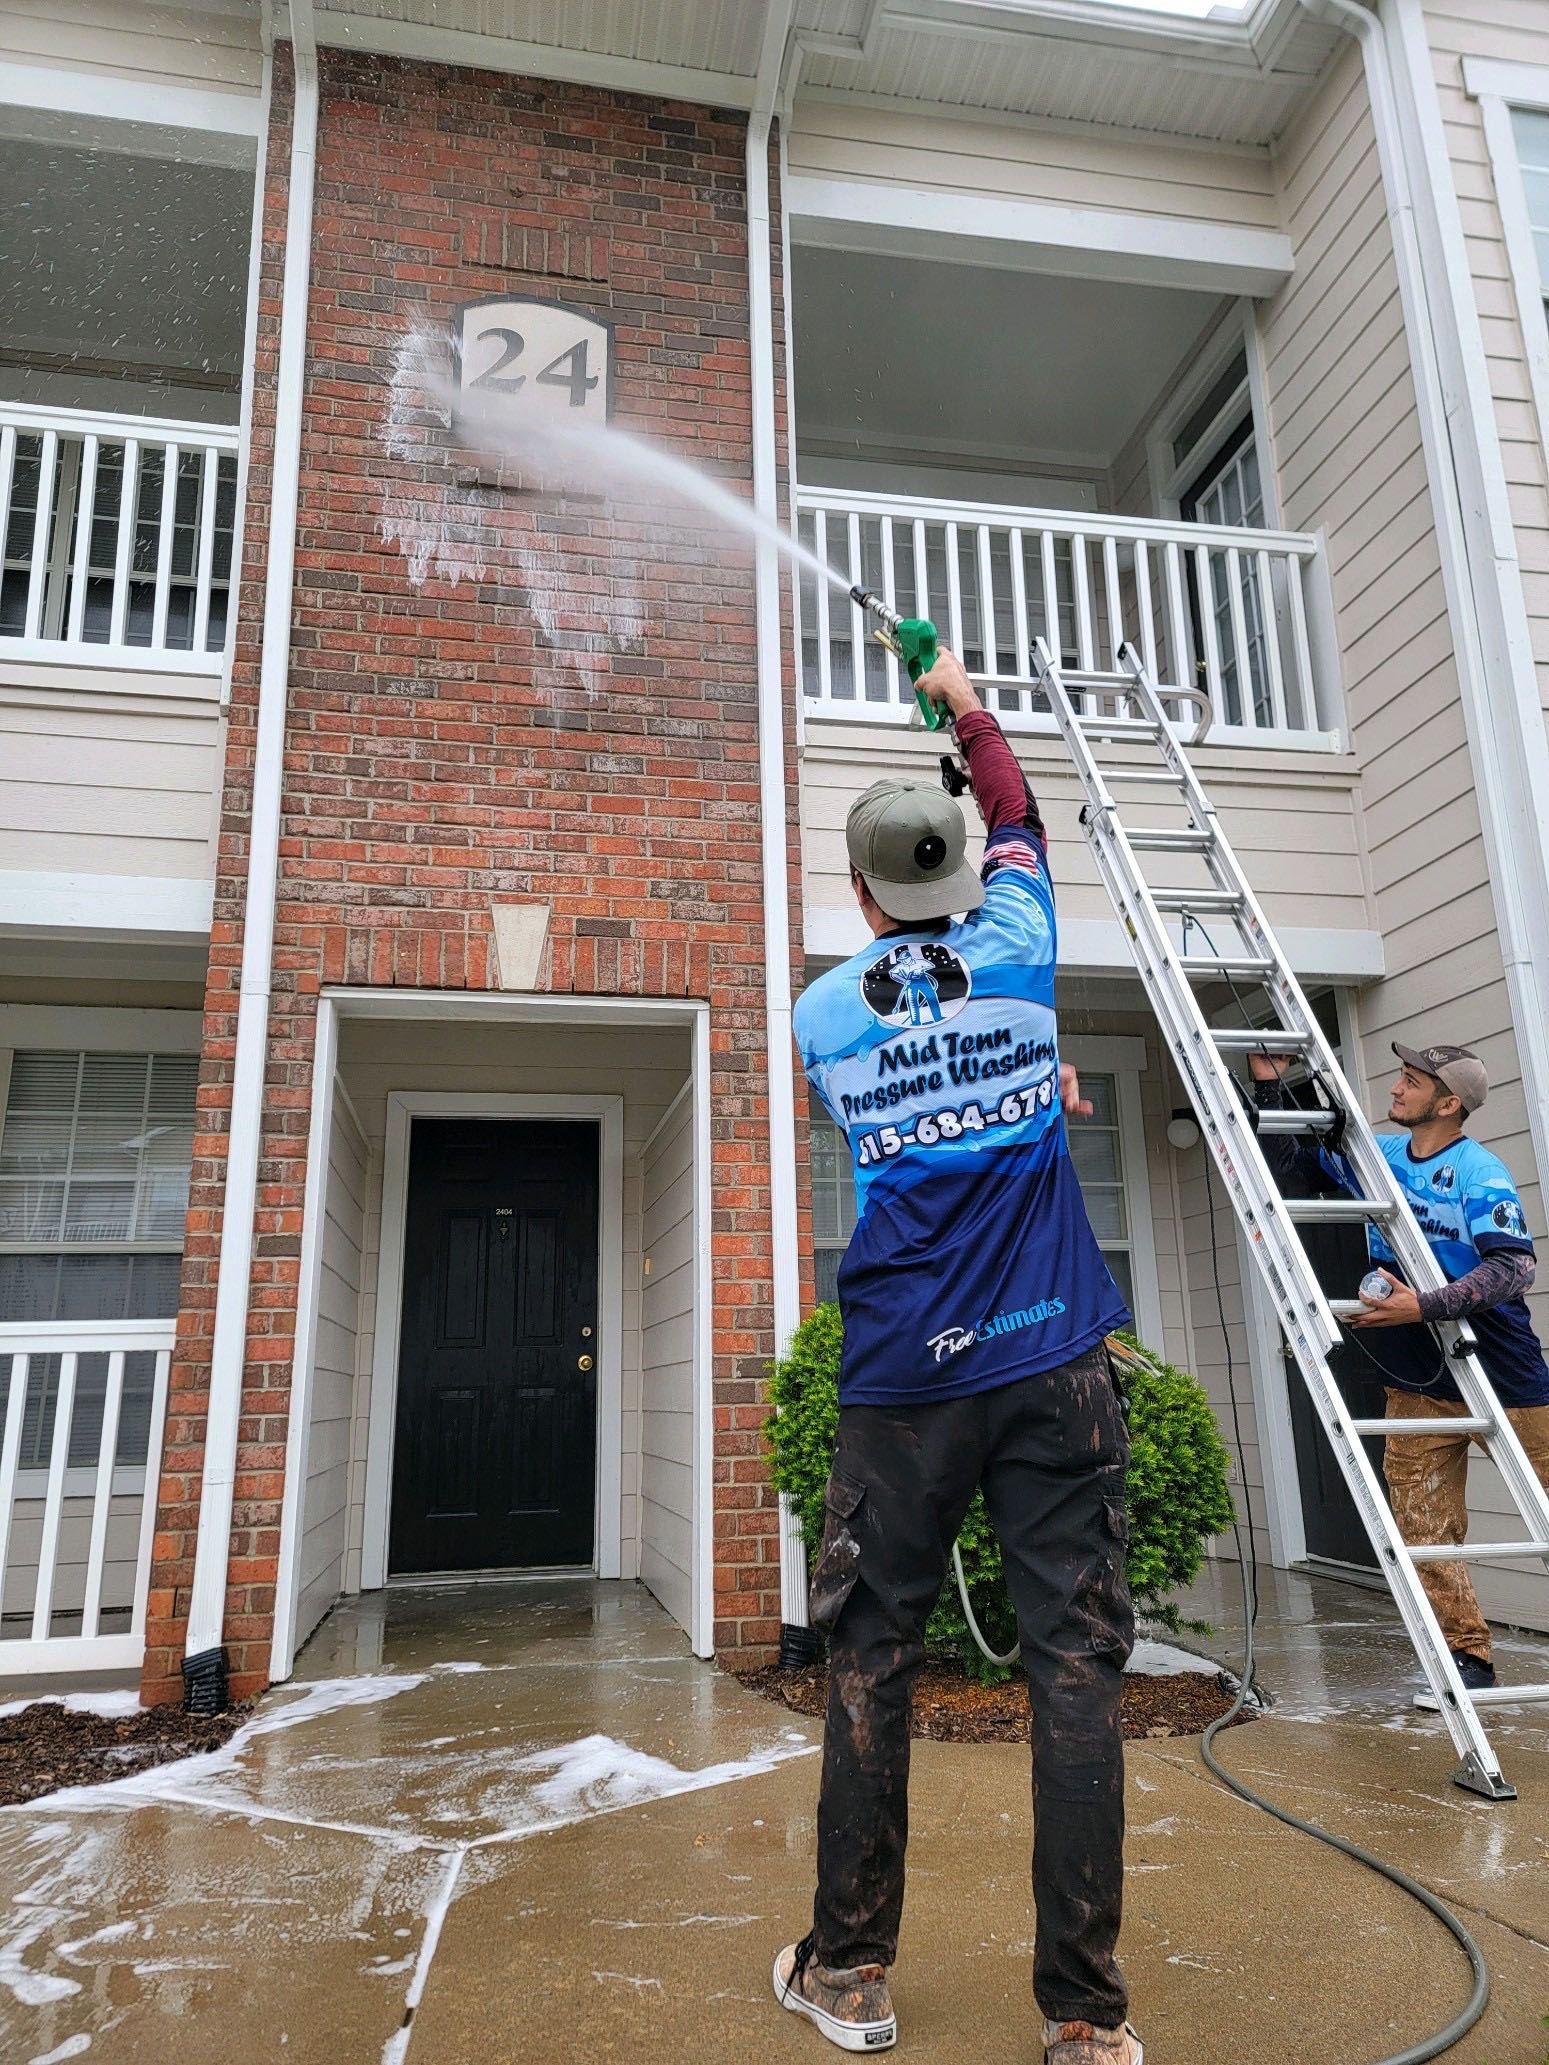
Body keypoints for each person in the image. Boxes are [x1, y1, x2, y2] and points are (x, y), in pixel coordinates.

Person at [774, 648, 1142, 2065]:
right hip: (1055, 1366)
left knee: (873, 1659)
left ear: (865, 898)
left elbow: (898, 1058)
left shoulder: (821, 1016)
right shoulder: (1022, 946)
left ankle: (853, 1973)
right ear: (961, 877)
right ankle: (1085, 2021)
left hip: (906, 1386)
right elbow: (1020, 819)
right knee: (1075, 1676)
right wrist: (964, 707)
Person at [1248, 1041, 1549, 1695]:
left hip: (1504, 1376)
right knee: (1424, 1526)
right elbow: (1289, 1168)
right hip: (1416, 1384)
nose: (1394, 1088)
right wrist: (1269, 1086)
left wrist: (1425, 1304)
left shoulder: (1478, 1172)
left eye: (1410, 1081)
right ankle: (1465, 1658)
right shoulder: (1377, 1158)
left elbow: (1514, 1266)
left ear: (1447, 1103)